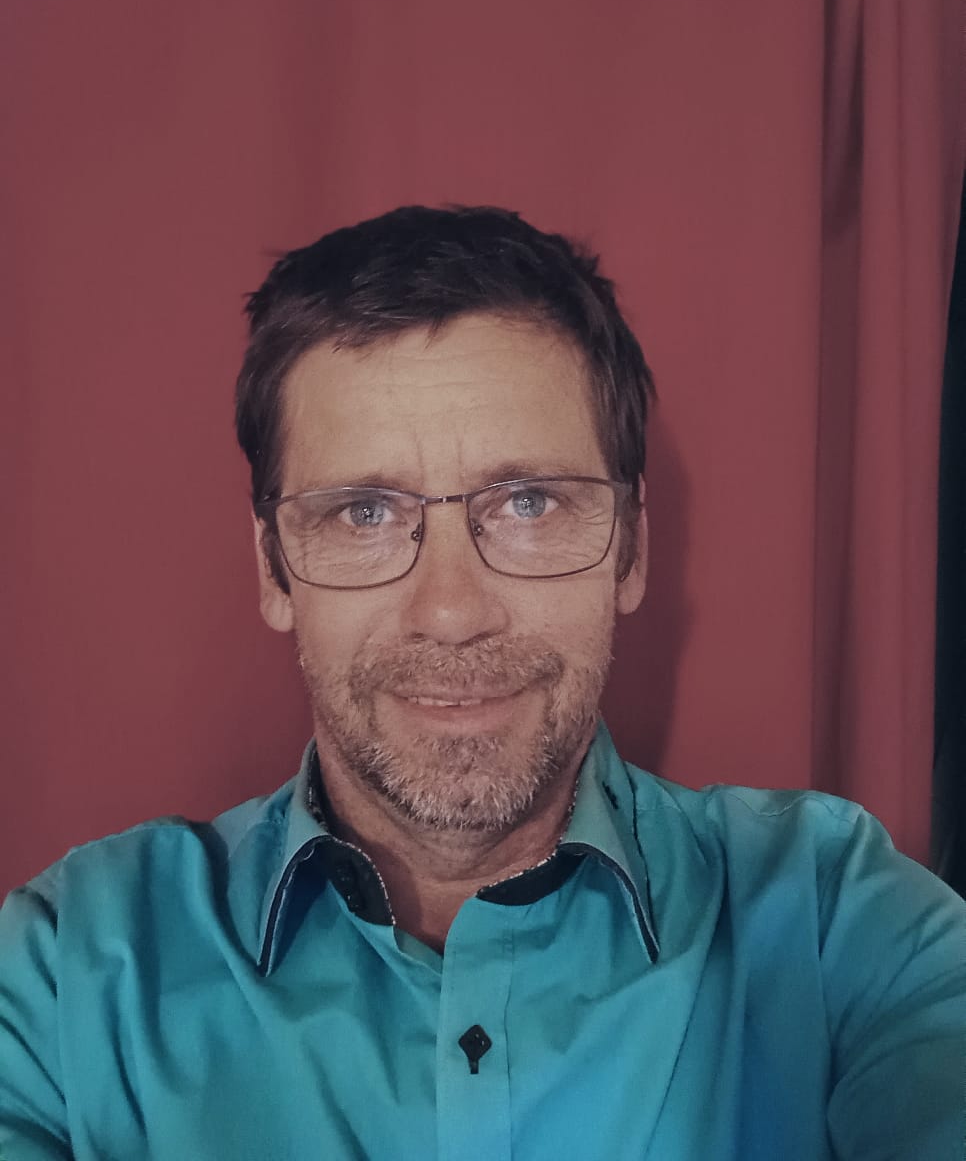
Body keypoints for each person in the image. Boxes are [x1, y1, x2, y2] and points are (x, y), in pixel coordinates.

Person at [1, 205, 964, 1160]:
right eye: (365, 512)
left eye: (529, 503)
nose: (453, 611)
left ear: (630, 549)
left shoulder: (841, 923)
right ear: (274, 571)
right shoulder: (64, 978)